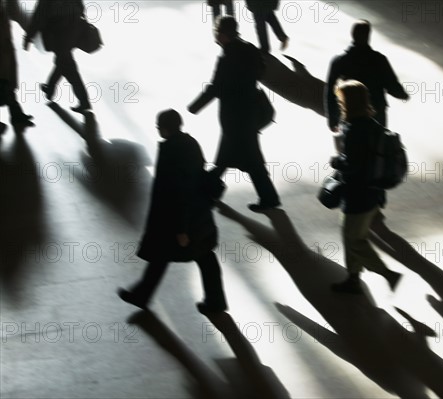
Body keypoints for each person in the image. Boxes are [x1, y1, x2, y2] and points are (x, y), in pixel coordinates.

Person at [118, 109, 228, 313]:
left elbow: (179, 190)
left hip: (178, 217)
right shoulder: (190, 142)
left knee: (165, 255)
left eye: (159, 126)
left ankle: (142, 295)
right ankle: (215, 300)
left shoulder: (172, 150)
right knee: (202, 256)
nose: (158, 130)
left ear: (166, 128)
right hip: (198, 212)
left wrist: (181, 228)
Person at [188, 16, 280, 212]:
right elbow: (261, 71)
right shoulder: (250, 49)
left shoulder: (226, 57)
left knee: (248, 159)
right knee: (228, 157)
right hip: (251, 112)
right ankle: (210, 188)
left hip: (233, 117)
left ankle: (267, 198)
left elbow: (216, 87)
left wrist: (195, 107)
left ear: (222, 34)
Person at [329, 80, 401, 294]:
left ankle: (387, 274)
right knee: (350, 234)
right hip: (373, 192)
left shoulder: (354, 130)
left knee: (354, 239)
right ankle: (353, 278)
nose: (339, 104)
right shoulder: (372, 123)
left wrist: (336, 161)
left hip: (357, 194)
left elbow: (353, 165)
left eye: (341, 100)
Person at [325, 20, 409, 133]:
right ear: (368, 35)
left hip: (348, 113)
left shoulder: (339, 61)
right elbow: (391, 85)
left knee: (351, 145)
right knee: (376, 146)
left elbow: (330, 91)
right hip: (375, 113)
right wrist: (402, 94)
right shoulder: (379, 60)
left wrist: (332, 119)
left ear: (352, 34)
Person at [23, 0, 92, 113]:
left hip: (58, 34)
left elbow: (38, 16)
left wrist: (28, 37)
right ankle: (50, 88)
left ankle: (84, 101)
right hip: (72, 32)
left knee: (69, 68)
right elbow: (80, 7)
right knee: (62, 62)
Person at [0, 1, 33, 134]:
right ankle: (16, 114)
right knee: (4, 82)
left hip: (4, 45)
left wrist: (30, 30)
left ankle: (16, 114)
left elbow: (16, 11)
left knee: (5, 82)